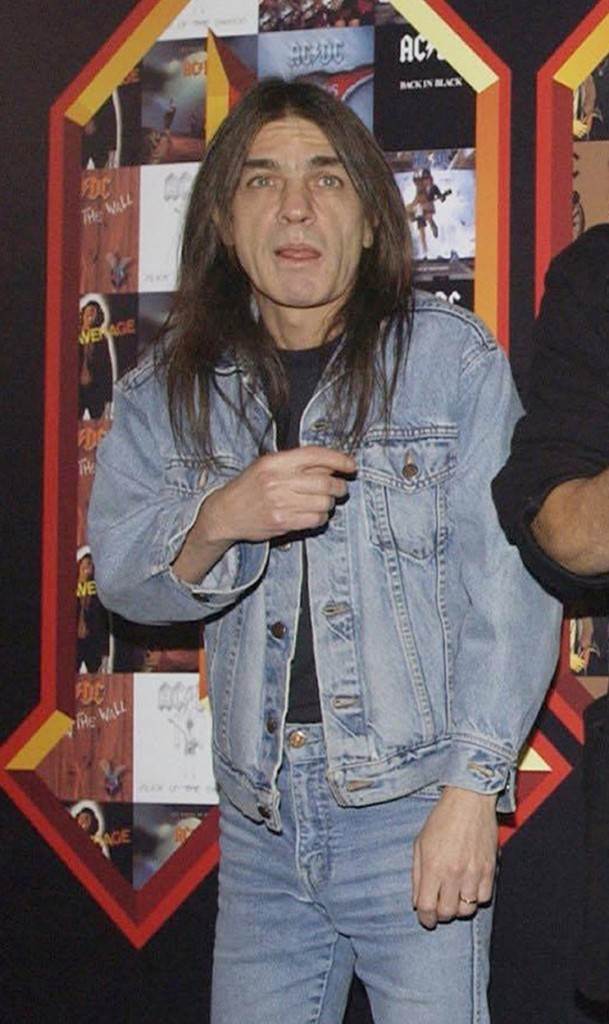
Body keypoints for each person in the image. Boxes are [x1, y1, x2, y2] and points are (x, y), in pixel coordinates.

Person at [89, 79, 560, 1024]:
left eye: (327, 178)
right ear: (225, 221)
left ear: (374, 220)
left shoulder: (450, 361)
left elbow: (512, 595)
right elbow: (126, 586)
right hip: (257, 821)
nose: (295, 207)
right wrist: (220, 516)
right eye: (262, 180)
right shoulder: (163, 389)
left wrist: (471, 793)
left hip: (412, 810)